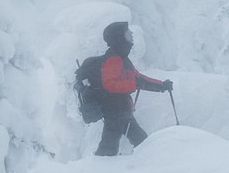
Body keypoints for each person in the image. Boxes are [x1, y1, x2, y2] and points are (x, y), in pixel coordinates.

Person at [74, 21, 173, 156]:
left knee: (113, 147)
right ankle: (148, 163)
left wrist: (162, 85)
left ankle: (102, 169)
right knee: (137, 143)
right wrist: (131, 85)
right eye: (128, 32)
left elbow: (139, 79)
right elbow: (109, 85)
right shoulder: (114, 59)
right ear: (120, 37)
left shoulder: (122, 59)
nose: (131, 34)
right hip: (116, 113)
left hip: (120, 113)